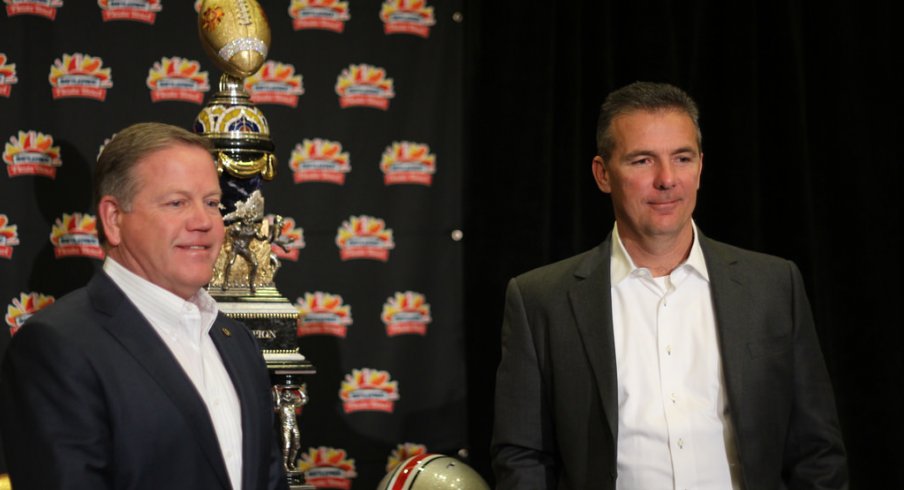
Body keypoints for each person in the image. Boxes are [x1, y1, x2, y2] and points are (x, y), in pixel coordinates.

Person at [491, 82, 848, 490]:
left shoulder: (773, 285)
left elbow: (816, 451)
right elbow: (523, 457)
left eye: (682, 158)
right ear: (603, 174)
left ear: (700, 167)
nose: (667, 179)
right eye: (642, 161)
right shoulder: (540, 300)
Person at [0, 122, 287, 490]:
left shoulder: (237, 341)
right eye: (177, 202)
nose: (203, 221)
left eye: (212, 203)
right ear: (114, 219)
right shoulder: (57, 348)